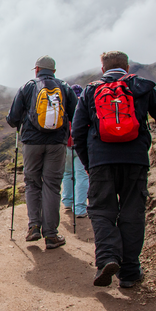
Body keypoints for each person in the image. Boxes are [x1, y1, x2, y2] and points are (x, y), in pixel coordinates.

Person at [72, 51, 156, 288]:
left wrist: (88, 163)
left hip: (101, 161)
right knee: (132, 213)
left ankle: (107, 258)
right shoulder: (142, 87)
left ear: (103, 69)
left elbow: (78, 131)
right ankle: (129, 272)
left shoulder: (91, 90)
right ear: (127, 67)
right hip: (135, 160)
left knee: (102, 212)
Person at [6, 55, 77, 249]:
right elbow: (76, 114)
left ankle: (34, 227)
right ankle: (51, 235)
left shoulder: (27, 87)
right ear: (53, 71)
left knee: (32, 184)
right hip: (57, 143)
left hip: (32, 143)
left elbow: (12, 118)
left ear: (36, 69)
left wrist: (19, 120)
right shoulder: (64, 87)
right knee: (52, 186)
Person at [62, 84, 89, 218]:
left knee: (67, 173)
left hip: (65, 144)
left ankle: (67, 201)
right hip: (80, 145)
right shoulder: (84, 106)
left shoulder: (65, 105)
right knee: (81, 175)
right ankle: (80, 208)